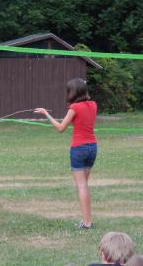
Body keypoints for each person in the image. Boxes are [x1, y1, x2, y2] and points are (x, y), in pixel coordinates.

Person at [34, 78, 97, 229]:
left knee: (81, 187)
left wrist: (46, 114)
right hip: (92, 147)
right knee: (84, 186)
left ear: (73, 92)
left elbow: (61, 128)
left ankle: (87, 223)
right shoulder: (93, 104)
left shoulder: (74, 107)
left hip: (79, 148)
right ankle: (87, 220)